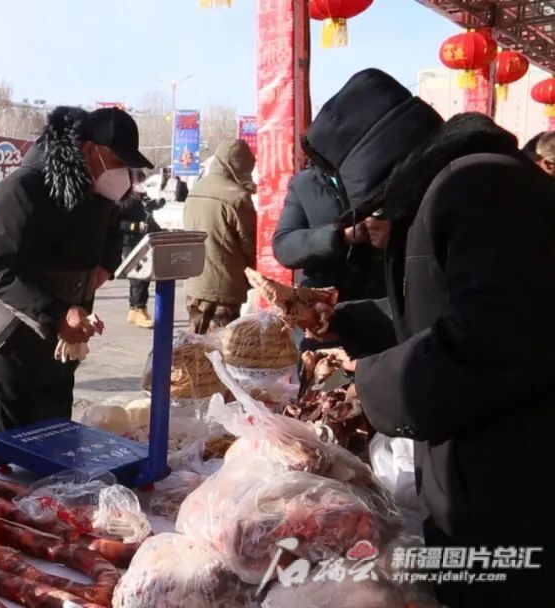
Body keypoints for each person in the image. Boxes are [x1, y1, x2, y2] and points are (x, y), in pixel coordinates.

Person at [303, 68, 555, 607]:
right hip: (480, 485)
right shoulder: (452, 188)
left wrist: (366, 387)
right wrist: (346, 321)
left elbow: (496, 337)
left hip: (516, 492)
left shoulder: (478, 186)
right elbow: (436, 310)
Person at [0, 106, 150, 435]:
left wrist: (104, 267)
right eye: (118, 163)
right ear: (88, 150)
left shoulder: (98, 193)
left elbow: (115, 228)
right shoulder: (23, 188)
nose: (123, 175)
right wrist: (57, 314)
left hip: (62, 352)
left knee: (57, 452)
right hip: (13, 346)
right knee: (11, 467)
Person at [272, 167, 388, 300]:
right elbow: (284, 247)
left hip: (387, 295)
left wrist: (395, 235)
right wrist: (340, 236)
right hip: (328, 304)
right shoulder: (305, 183)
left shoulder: (383, 168)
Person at [182, 138, 257, 334]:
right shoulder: (238, 196)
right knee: (221, 350)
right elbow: (250, 245)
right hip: (223, 288)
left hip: (195, 283)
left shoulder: (196, 189)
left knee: (194, 348)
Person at [118, 190, 161, 329]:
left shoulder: (139, 199)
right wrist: (135, 227)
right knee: (139, 277)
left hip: (141, 241)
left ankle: (133, 309)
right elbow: (116, 222)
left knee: (137, 276)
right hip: (129, 242)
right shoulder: (123, 200)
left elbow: (148, 217)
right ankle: (139, 309)